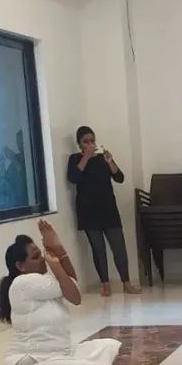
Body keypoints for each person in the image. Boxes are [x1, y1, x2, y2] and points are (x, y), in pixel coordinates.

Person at [0, 219, 123, 365]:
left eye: (41, 253)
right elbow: (74, 292)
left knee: (109, 345)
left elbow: (73, 291)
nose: (42, 260)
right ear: (20, 266)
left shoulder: (45, 282)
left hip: (59, 357)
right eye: (35, 257)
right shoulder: (23, 282)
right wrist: (56, 261)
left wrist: (59, 249)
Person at [67, 125, 139, 297]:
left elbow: (119, 178)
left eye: (92, 141)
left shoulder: (102, 159)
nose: (90, 144)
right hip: (88, 211)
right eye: (86, 142)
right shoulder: (75, 158)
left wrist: (110, 161)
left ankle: (126, 283)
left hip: (108, 209)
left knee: (119, 247)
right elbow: (73, 178)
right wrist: (85, 157)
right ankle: (105, 285)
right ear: (79, 144)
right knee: (98, 249)